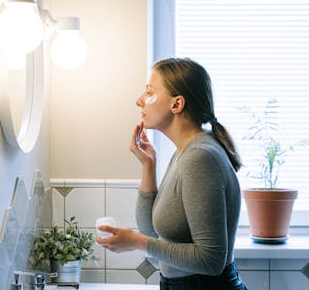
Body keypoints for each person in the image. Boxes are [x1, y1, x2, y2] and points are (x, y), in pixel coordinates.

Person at [96, 57, 249, 290]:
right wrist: (148, 165)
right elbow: (152, 231)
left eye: (149, 93)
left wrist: (138, 242)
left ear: (177, 104)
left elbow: (211, 259)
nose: (139, 101)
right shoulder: (185, 152)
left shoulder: (200, 157)